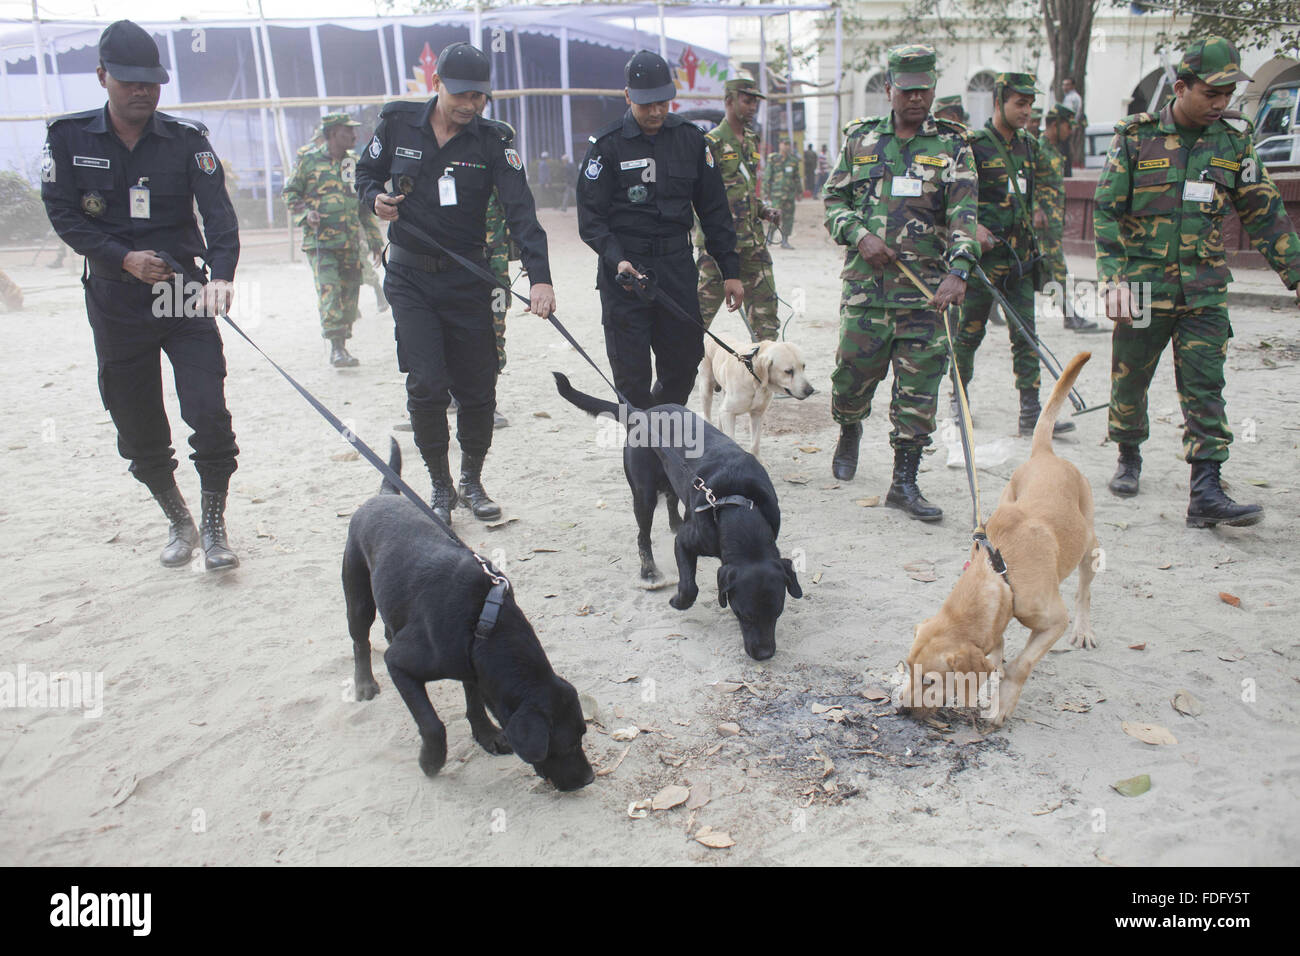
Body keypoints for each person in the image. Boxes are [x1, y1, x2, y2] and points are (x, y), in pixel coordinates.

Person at [40, 20, 240, 571]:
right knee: (136, 417)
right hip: (116, 300)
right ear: (103, 76)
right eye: (128, 80)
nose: (141, 91)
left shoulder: (187, 140)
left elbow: (219, 216)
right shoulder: (69, 138)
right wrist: (121, 257)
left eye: (151, 81)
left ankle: (217, 525)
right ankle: (178, 519)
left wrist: (221, 275)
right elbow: (61, 214)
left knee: (207, 409)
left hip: (182, 298)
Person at [1094, 36, 1300, 527]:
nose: (1221, 103)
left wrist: (1296, 273)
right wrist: (1114, 279)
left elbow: (1264, 211)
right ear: (1181, 86)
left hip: (1205, 289)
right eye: (1211, 92)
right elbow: (1105, 210)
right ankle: (1128, 453)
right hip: (1141, 287)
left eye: (1228, 93)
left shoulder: (1233, 139)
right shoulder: (1135, 137)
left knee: (1206, 386)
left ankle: (1205, 488)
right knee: (1131, 380)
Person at [355, 41, 554, 525]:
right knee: (427, 383)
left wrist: (542, 278)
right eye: (461, 94)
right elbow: (365, 174)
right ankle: (440, 486)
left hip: (468, 277)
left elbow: (521, 210)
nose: (470, 105)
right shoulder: (397, 123)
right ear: (436, 84)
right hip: (408, 276)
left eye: (480, 97)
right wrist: (375, 199)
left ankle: (471, 479)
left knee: (479, 384)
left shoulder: (493, 140)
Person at [823, 44, 979, 520]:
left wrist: (958, 272)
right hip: (866, 293)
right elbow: (833, 201)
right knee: (850, 379)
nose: (916, 99)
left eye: (924, 90)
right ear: (889, 89)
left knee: (918, 394)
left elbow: (965, 216)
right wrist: (860, 233)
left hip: (926, 295)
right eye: (907, 90)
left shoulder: (953, 145)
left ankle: (904, 482)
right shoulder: (861, 141)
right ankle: (849, 428)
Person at [577, 49, 742, 411]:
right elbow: (590, 220)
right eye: (646, 103)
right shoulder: (606, 147)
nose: (655, 112)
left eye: (663, 103)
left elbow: (714, 211)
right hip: (625, 273)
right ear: (627, 97)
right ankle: (646, 452)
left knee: (684, 363)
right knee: (631, 374)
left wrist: (730, 270)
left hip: (676, 267)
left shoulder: (692, 140)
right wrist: (617, 259)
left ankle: (658, 429)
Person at [953, 71, 1074, 437]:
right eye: (1020, 104)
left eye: (1031, 104)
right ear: (998, 101)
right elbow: (954, 197)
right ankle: (959, 404)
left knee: (1026, 336)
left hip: (1019, 259)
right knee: (968, 336)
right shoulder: (972, 144)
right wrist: (971, 228)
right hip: (980, 261)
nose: (1027, 111)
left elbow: (1040, 188)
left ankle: (1031, 413)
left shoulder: (1030, 145)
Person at [283, 112, 383, 367]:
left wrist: (374, 239)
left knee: (349, 296)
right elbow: (290, 193)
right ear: (331, 135)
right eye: (346, 131)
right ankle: (336, 348)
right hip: (322, 244)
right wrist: (306, 214)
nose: (353, 135)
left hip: (350, 243)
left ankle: (343, 344)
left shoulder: (353, 163)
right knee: (330, 293)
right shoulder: (308, 161)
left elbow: (363, 204)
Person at [695, 74, 781, 341]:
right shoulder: (711, 143)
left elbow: (745, 189)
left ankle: (766, 374)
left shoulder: (752, 141)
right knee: (698, 317)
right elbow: (699, 196)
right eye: (747, 101)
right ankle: (679, 376)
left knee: (766, 316)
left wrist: (764, 209)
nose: (753, 107)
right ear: (729, 101)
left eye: (756, 102)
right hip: (719, 246)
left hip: (753, 243)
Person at [1035, 102, 1099, 332]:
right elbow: (1026, 182)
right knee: (1056, 267)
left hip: (1053, 219)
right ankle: (1070, 315)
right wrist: (1035, 210)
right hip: (1041, 222)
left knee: (1045, 267)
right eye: (1068, 125)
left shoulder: (1054, 150)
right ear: (1055, 124)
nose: (1070, 131)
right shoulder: (1038, 148)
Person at [764, 138, 801, 248]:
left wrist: (799, 192)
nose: (787, 147)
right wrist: (766, 192)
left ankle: (785, 241)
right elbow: (768, 176)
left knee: (789, 218)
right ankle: (770, 237)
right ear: (780, 145)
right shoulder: (773, 159)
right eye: (784, 144)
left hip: (789, 194)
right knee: (775, 216)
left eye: (788, 145)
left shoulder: (793, 161)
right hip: (777, 195)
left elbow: (797, 178)